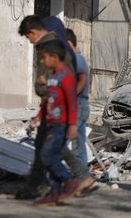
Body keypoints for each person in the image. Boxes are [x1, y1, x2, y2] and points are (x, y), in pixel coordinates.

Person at [16, 15, 94, 200]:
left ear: (32, 33)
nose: (31, 42)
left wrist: (43, 86)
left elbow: (57, 82)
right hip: (54, 107)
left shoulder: (48, 47)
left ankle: (63, 182)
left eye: (29, 38)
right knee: (49, 146)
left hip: (56, 108)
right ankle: (53, 183)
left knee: (50, 148)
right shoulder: (58, 43)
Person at [31, 40, 80, 206]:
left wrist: (72, 125)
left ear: (55, 57)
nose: (43, 61)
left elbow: (72, 101)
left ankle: (69, 180)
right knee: (50, 156)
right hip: (51, 122)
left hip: (61, 125)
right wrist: (39, 116)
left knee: (47, 155)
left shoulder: (66, 76)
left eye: (44, 58)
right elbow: (48, 100)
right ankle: (55, 191)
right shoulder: (53, 77)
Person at [65, 28, 90, 165]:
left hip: (78, 105)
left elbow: (82, 80)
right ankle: (83, 177)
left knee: (61, 142)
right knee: (79, 146)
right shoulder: (76, 59)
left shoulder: (77, 59)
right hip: (81, 105)